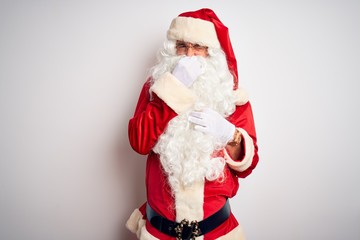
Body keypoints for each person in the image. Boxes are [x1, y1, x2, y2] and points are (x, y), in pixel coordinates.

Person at [126, 8, 259, 240]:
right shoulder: (155, 88)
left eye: (198, 47)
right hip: (160, 233)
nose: (189, 55)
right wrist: (173, 89)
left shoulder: (231, 95)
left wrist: (229, 135)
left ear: (212, 53)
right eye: (182, 46)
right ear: (173, 50)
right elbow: (139, 142)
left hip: (217, 232)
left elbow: (249, 165)